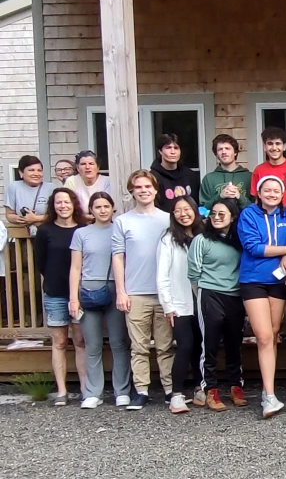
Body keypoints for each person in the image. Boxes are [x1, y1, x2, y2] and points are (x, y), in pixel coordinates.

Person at [238, 174, 286, 418]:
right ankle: (268, 395)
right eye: (267, 190)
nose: (272, 194)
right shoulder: (248, 215)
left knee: (273, 334)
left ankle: (271, 390)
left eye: (277, 190)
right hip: (253, 280)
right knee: (264, 336)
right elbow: (253, 247)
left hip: (277, 281)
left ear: (282, 193)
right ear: (259, 192)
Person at [111, 170, 173, 410]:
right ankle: (142, 390)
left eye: (148, 186)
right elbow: (118, 257)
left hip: (163, 293)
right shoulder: (123, 221)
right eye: (138, 187)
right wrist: (121, 291)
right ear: (132, 191)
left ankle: (169, 389)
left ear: (155, 189)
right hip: (135, 291)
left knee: (166, 345)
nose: (143, 190)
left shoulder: (167, 219)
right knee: (139, 346)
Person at [69, 192, 131, 409]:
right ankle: (93, 392)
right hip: (88, 288)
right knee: (92, 343)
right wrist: (73, 298)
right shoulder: (81, 233)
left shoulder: (120, 228)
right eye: (98, 206)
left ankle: (121, 390)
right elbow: (75, 267)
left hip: (116, 287)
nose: (102, 210)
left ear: (113, 208)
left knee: (118, 341)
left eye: (106, 206)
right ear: (91, 210)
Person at [188, 198, 246, 412]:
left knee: (234, 342)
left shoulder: (239, 240)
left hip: (235, 295)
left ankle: (235, 386)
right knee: (209, 342)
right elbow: (193, 273)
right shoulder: (201, 240)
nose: (217, 217)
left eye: (222, 214)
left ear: (232, 217)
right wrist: (202, 294)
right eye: (213, 213)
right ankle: (210, 388)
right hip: (209, 293)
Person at [34, 187, 88, 405]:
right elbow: (40, 263)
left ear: (73, 204)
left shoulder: (84, 229)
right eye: (59, 202)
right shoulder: (45, 230)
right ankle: (62, 391)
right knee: (59, 342)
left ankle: (86, 388)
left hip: (80, 294)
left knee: (80, 341)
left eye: (66, 202)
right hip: (55, 293)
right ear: (53, 206)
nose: (63, 206)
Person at [157, 194, 204, 414]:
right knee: (185, 345)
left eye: (187, 209)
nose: (183, 214)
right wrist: (168, 305)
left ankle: (199, 387)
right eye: (177, 211)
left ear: (194, 211)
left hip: (203, 300)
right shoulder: (168, 238)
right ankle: (176, 394)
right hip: (179, 301)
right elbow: (162, 275)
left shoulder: (203, 235)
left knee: (200, 346)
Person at [4, 155, 56, 235]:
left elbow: (57, 215)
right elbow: (9, 214)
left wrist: (35, 218)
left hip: (47, 235)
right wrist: (20, 219)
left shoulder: (51, 187)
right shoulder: (14, 187)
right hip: (23, 237)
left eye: (39, 170)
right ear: (21, 173)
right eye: (31, 170)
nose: (36, 174)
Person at [149, 133, 200, 211]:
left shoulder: (190, 175)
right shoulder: (153, 177)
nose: (173, 152)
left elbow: (197, 203)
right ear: (160, 151)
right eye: (168, 148)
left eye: (176, 148)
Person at [200, 134, 252, 210]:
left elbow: (256, 208)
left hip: (244, 221)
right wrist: (220, 196)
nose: (224, 152)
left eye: (227, 148)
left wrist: (239, 197)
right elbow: (203, 210)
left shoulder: (249, 177)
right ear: (216, 154)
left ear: (235, 152)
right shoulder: (208, 179)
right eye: (220, 149)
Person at [64, 150, 111, 217]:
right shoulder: (72, 181)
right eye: (83, 164)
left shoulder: (107, 181)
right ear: (78, 168)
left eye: (91, 164)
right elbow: (67, 205)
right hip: (78, 220)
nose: (87, 167)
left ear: (97, 167)